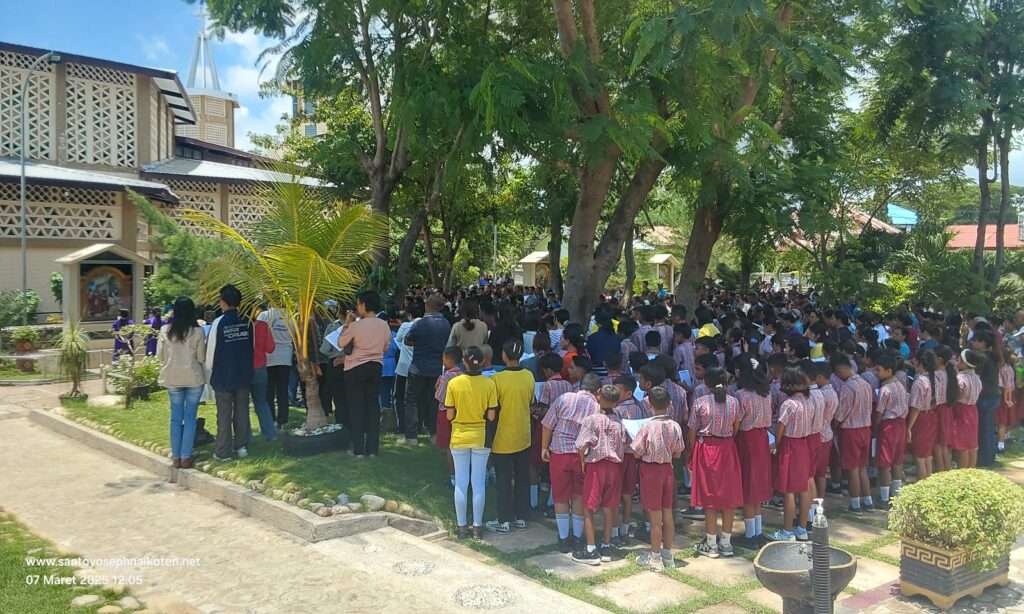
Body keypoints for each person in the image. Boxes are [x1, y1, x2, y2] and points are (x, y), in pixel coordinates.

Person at [541, 373, 602, 553]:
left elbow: (548, 424)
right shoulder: (597, 407)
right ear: (598, 391)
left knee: (560, 495)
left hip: (559, 453)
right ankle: (576, 537)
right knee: (578, 495)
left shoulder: (564, 398)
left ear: (580, 385)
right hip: (582, 457)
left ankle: (563, 538)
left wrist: (544, 447)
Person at [688, 366, 742, 558]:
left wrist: (692, 452)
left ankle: (711, 545)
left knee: (709, 498)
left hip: (707, 449)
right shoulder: (734, 402)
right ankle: (726, 544)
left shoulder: (700, 402)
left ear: (706, 383)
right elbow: (736, 427)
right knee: (729, 498)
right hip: (727, 448)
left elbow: (692, 431)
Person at [444, 346, 498, 540]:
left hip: (459, 435)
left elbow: (449, 415)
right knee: (478, 483)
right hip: (480, 436)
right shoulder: (489, 384)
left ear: (463, 361)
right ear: (482, 361)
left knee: (461, 482)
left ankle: (461, 527)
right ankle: (477, 527)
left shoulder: (454, 383)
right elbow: (491, 416)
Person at [631, 386, 684, 572]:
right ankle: (667, 554)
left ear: (649, 404)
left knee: (655, 517)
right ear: (669, 404)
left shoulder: (646, 427)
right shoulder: (675, 426)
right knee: (667, 513)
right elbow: (678, 453)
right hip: (667, 470)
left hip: (650, 471)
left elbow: (636, 452)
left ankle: (655, 558)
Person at [572, 384, 625, 566]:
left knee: (589, 506)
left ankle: (591, 549)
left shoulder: (591, 420)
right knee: (610, 507)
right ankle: (606, 546)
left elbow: (581, 445)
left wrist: (582, 461)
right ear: (616, 402)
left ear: (598, 397)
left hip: (596, 466)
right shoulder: (619, 421)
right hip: (615, 467)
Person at [487, 339, 535, 534]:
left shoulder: (497, 379)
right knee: (522, 477)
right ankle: (521, 516)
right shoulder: (529, 376)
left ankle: (504, 519)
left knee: (504, 479)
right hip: (523, 434)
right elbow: (531, 401)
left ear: (504, 355)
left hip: (503, 436)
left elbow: (492, 409)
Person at [336, 291, 392, 458]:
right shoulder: (384, 325)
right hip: (375, 367)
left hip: (355, 368)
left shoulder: (355, 326)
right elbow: (385, 347)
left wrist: (347, 323)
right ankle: (373, 450)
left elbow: (341, 343)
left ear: (364, 305)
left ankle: (358, 449)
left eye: (358, 304)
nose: (357, 307)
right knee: (373, 406)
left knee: (356, 408)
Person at [204, 285, 254, 461]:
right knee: (242, 412)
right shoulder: (247, 321)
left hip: (224, 374)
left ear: (224, 302)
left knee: (224, 414)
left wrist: (209, 368)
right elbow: (251, 347)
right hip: (244, 373)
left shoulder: (219, 322)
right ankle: (241, 447)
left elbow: (211, 351)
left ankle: (223, 452)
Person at [766, 366, 815, 542]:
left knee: (788, 491)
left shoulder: (789, 404)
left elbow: (780, 428)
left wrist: (777, 446)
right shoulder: (809, 401)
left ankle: (787, 532)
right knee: (803, 487)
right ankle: (802, 529)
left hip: (790, 446)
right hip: (803, 444)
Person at [157, 296, 207, 468]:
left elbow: (160, 356)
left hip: (172, 377)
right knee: (190, 418)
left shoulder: (165, 330)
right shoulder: (198, 331)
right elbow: (201, 358)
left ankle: (176, 457)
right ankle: (186, 456)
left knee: (175, 419)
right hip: (193, 377)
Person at [733, 356, 773, 549]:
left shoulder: (741, 395)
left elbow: (737, 422)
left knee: (748, 486)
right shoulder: (766, 393)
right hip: (762, 438)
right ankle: (757, 532)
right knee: (758, 486)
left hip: (747, 439)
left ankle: (750, 536)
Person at [403, 294, 452, 446]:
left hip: (418, 367)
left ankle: (411, 435)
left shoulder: (420, 324)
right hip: (436, 368)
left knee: (412, 400)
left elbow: (407, 340)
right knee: (434, 401)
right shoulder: (446, 324)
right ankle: (434, 433)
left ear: (427, 305)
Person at [832, 353, 874, 514]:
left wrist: (834, 426)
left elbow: (841, 413)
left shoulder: (847, 387)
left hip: (850, 431)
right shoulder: (866, 384)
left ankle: (855, 504)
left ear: (841, 370)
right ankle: (868, 501)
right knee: (862, 467)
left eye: (838, 374)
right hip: (865, 429)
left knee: (852, 469)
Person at [873, 353, 908, 510]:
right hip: (901, 424)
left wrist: (875, 428)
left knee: (884, 462)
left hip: (888, 425)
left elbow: (879, 412)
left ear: (888, 371)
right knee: (897, 461)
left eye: (878, 370)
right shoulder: (901, 385)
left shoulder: (885, 389)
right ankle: (897, 495)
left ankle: (884, 497)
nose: (876, 373)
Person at [258, 305, 294, 431]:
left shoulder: (264, 315)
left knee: (269, 391)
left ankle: (271, 420)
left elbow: (257, 332)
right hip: (285, 356)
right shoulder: (290, 316)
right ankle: (282, 422)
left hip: (269, 357)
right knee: (282, 391)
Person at [907, 349, 939, 480]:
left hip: (920, 419)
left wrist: (909, 428)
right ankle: (928, 486)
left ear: (919, 362)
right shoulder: (934, 378)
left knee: (919, 456)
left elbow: (915, 408)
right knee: (927, 455)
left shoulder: (919, 381)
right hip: (931, 415)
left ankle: (922, 486)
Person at [435, 346, 463, 487]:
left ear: (449, 360)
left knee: (448, 446)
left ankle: (453, 477)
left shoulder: (446, 377)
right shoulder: (462, 375)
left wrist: (437, 386)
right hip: (460, 412)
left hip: (446, 412)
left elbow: (440, 396)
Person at [394, 303, 423, 437]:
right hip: (419, 367)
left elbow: (399, 338)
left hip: (404, 367)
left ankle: (401, 425)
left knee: (399, 397)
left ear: (410, 315)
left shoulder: (406, 325)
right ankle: (418, 425)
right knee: (417, 398)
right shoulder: (426, 326)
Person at [953, 349, 983, 469]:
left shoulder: (960, 378)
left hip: (962, 411)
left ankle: (963, 472)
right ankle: (971, 471)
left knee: (963, 444)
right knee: (972, 444)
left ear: (964, 364)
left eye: (958, 360)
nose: (957, 361)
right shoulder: (977, 378)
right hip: (973, 410)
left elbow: (957, 395)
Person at [251, 309, 277, 441]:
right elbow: (270, 348)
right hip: (260, 367)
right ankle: (270, 434)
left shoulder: (239, 327)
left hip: (243, 369)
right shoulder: (263, 326)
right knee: (261, 402)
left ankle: (246, 438)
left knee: (241, 405)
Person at [933, 345, 958, 472]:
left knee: (937, 445)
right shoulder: (948, 372)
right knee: (943, 446)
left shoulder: (937, 374)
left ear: (939, 359)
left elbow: (936, 398)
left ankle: (940, 473)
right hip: (947, 410)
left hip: (938, 410)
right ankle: (946, 472)